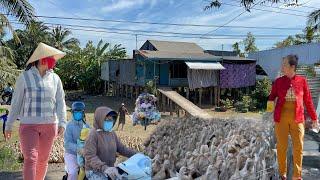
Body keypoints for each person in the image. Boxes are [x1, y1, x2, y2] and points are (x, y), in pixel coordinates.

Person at [4, 42, 67, 180]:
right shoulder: (24, 77)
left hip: (50, 125)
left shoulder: (55, 79)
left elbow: (60, 102)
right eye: (51, 57)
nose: (53, 61)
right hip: (29, 125)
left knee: (43, 160)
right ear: (41, 58)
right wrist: (9, 125)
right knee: (31, 158)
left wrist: (63, 122)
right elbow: (16, 103)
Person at [268, 54, 320, 180]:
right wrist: (270, 111)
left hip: (298, 119)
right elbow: (271, 97)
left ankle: (297, 175)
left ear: (292, 66)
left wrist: (314, 118)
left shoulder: (302, 81)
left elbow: (308, 101)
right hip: (281, 119)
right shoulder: (279, 82)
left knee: (299, 147)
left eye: (284, 64)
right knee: (281, 147)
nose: (282, 67)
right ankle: (282, 173)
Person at [84, 106, 136, 180]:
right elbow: (90, 156)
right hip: (94, 171)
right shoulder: (93, 134)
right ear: (100, 119)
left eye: (111, 120)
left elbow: (122, 148)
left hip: (110, 169)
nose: (109, 122)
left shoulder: (112, 133)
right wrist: (104, 168)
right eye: (106, 120)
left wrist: (137, 154)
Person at [64, 101, 89, 180]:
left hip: (84, 155)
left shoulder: (87, 126)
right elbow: (67, 144)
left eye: (80, 112)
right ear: (72, 112)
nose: (78, 114)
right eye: (76, 112)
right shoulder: (69, 126)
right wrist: (78, 149)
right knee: (73, 172)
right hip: (71, 154)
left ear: (83, 113)